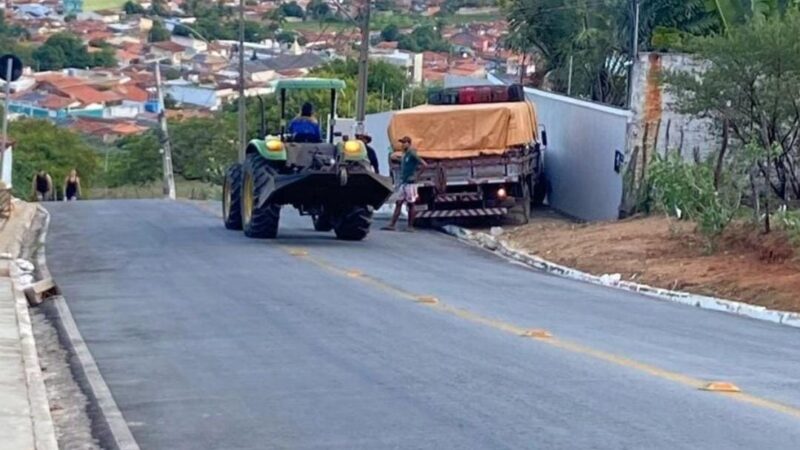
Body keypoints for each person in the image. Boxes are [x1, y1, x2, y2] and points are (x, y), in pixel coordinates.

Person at [382, 136, 427, 232]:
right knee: (398, 202)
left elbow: (424, 164)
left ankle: (410, 226)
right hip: (404, 182)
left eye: (404, 142)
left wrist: (417, 176)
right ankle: (392, 224)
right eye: (402, 143)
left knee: (411, 204)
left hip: (411, 183)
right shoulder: (405, 154)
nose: (402, 145)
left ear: (409, 143)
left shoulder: (411, 153)